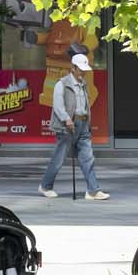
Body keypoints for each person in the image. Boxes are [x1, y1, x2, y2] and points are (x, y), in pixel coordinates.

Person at [39, 51, 107, 200]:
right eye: (81, 70)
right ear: (73, 68)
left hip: (83, 124)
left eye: (85, 70)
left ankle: (93, 190)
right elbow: (57, 105)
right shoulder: (61, 84)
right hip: (67, 125)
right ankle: (45, 186)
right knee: (59, 158)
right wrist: (66, 119)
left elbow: (85, 105)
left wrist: (87, 121)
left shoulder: (84, 85)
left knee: (88, 158)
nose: (83, 72)